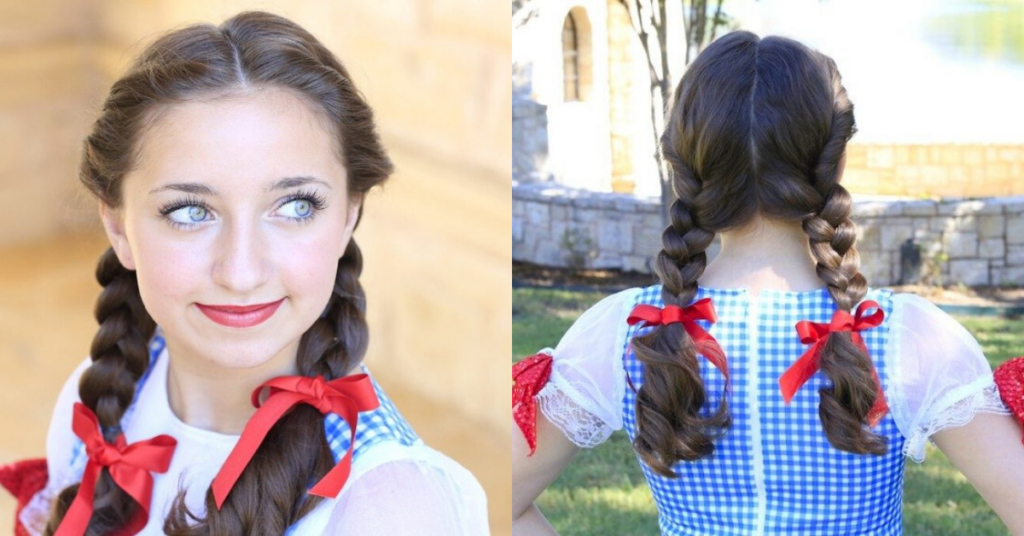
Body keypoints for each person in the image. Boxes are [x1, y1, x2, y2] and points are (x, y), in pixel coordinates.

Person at [512, 31, 1024, 534]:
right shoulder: (906, 337)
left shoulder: (625, 331)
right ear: (836, 161)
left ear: (684, 168)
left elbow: (494, 500)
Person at [2, 11, 487, 535]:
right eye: (189, 211)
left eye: (296, 206)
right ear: (118, 226)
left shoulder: (392, 507)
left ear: (349, 214)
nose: (241, 272)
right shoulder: (95, 404)